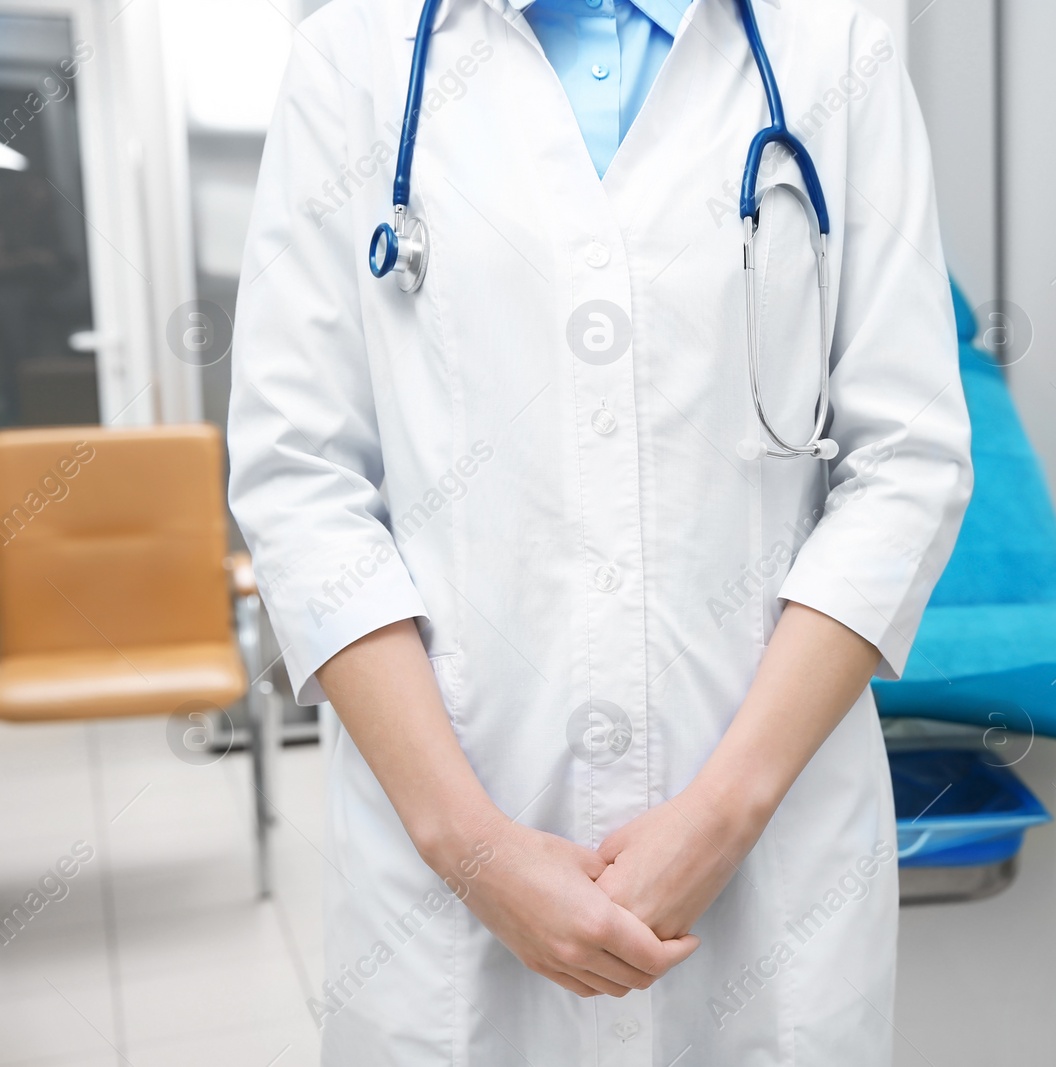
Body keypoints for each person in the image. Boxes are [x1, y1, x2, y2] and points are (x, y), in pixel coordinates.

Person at [227, 0, 971, 1062]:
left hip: (768, 850)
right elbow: (297, 476)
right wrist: (472, 847)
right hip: (451, 850)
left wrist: (720, 815)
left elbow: (906, 459)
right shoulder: (352, 57)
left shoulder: (832, 46)